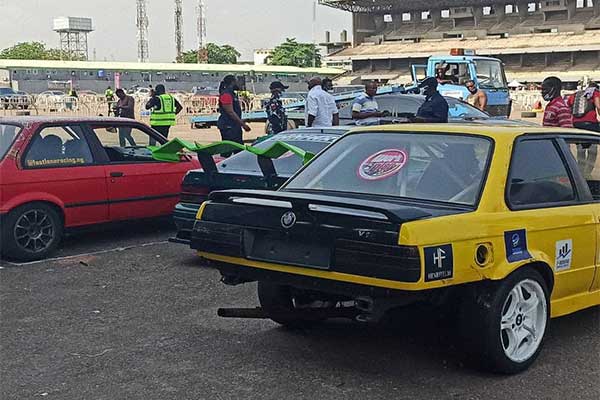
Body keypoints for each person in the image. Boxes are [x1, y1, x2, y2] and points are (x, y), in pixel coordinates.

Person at [567, 82, 600, 176]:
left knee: (580, 149)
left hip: (577, 124)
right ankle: (588, 173)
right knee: (592, 150)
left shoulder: (575, 94)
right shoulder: (595, 92)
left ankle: (581, 172)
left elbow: (569, 106)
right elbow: (598, 106)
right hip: (590, 124)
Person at [217, 75, 251, 155]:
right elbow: (230, 112)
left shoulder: (232, 94)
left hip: (234, 126)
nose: (238, 84)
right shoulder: (226, 95)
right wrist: (243, 124)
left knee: (238, 151)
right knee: (228, 151)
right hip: (228, 127)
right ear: (232, 83)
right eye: (236, 82)